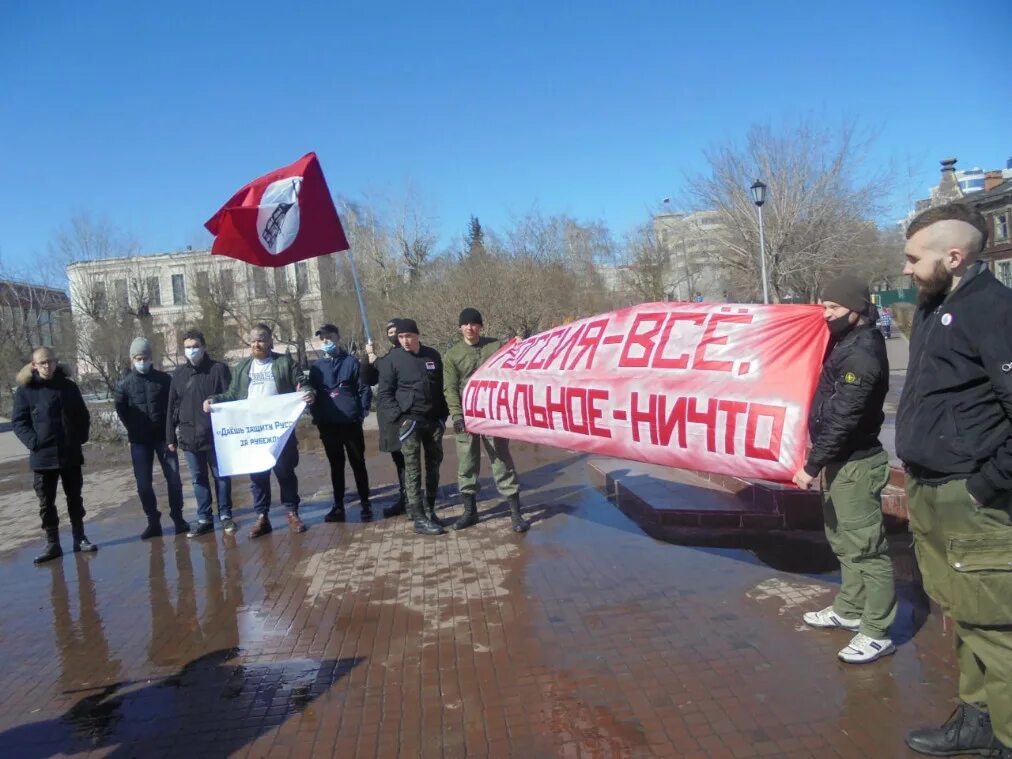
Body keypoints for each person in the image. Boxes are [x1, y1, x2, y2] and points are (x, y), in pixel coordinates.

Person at [896, 203, 1012, 758]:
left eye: (914, 258)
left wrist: (985, 486)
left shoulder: (995, 310)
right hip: (931, 492)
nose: (906, 269)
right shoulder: (932, 307)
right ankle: (977, 723)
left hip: (971, 497)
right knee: (963, 614)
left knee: (996, 626)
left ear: (955, 256)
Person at [792, 276, 895, 663]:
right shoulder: (846, 341)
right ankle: (850, 610)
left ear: (855, 309)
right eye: (823, 306)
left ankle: (877, 630)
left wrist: (811, 464)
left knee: (867, 550)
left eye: (833, 308)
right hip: (841, 463)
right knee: (843, 541)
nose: (826, 314)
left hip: (855, 463)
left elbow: (844, 417)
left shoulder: (862, 352)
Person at [203, 323, 315, 538]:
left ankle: (292, 512)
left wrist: (309, 392)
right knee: (258, 477)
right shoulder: (243, 367)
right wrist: (213, 401)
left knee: (285, 473)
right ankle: (262, 517)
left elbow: (302, 383)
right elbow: (232, 394)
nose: (257, 343)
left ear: (270, 341)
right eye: (253, 340)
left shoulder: (284, 363)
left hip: (280, 432)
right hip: (253, 434)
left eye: (261, 339)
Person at [443, 307, 529, 533]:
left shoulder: (495, 346)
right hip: (467, 416)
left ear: (480, 326)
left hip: (492, 413)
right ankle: (470, 512)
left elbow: (514, 364)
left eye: (474, 323)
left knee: (501, 460)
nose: (470, 328)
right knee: (467, 463)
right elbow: (450, 388)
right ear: (460, 327)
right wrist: (456, 416)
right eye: (465, 324)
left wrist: (520, 344)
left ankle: (515, 513)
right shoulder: (452, 355)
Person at [11, 347, 97, 563]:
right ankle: (52, 543)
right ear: (34, 365)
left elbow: (82, 415)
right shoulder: (26, 390)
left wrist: (79, 437)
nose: (48, 366)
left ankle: (80, 538)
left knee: (75, 497)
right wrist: (34, 442)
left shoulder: (68, 387)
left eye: (51, 361)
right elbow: (19, 422)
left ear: (56, 362)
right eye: (43, 363)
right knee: (46, 502)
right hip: (43, 457)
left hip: (70, 454)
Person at [376, 318, 447, 535]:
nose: (405, 341)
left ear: (417, 335)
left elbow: (440, 386)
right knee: (413, 469)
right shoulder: (392, 360)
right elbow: (385, 394)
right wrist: (399, 417)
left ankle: (431, 510)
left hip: (433, 421)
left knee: (434, 466)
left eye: (409, 336)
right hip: (410, 422)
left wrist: (443, 416)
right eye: (401, 337)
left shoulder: (432, 355)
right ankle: (418, 517)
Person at [115, 337, 188, 540]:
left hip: (163, 438)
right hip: (139, 441)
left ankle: (178, 518)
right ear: (132, 359)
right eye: (138, 358)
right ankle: (153, 521)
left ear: (150, 357)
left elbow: (173, 406)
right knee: (143, 484)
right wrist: (132, 430)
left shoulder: (164, 380)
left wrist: (171, 432)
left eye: (145, 357)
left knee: (174, 480)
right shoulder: (124, 385)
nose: (142, 361)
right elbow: (121, 410)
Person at [166, 329, 235, 537]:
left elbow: (231, 397)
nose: (192, 350)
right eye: (188, 347)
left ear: (204, 347)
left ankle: (225, 515)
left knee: (221, 476)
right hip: (188, 437)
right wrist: (170, 437)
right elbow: (171, 406)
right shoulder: (178, 374)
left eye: (195, 346)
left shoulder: (218, 369)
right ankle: (204, 517)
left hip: (216, 435)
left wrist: (217, 400)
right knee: (198, 479)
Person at [309, 323, 373, 522]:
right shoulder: (317, 368)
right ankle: (338, 505)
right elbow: (312, 395)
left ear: (337, 337)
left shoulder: (351, 362)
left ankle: (365, 502)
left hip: (350, 423)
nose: (325, 340)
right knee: (336, 466)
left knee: (358, 463)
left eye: (329, 336)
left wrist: (361, 413)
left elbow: (364, 389)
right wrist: (318, 418)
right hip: (328, 425)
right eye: (322, 338)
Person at [364, 319, 410, 519]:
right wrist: (367, 356)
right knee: (399, 460)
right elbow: (368, 379)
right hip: (389, 418)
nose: (392, 334)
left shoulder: (408, 354)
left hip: (406, 416)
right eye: (389, 331)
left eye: (395, 331)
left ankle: (412, 500)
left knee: (410, 460)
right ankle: (405, 496)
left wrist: (377, 360)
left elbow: (392, 370)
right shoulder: (388, 355)